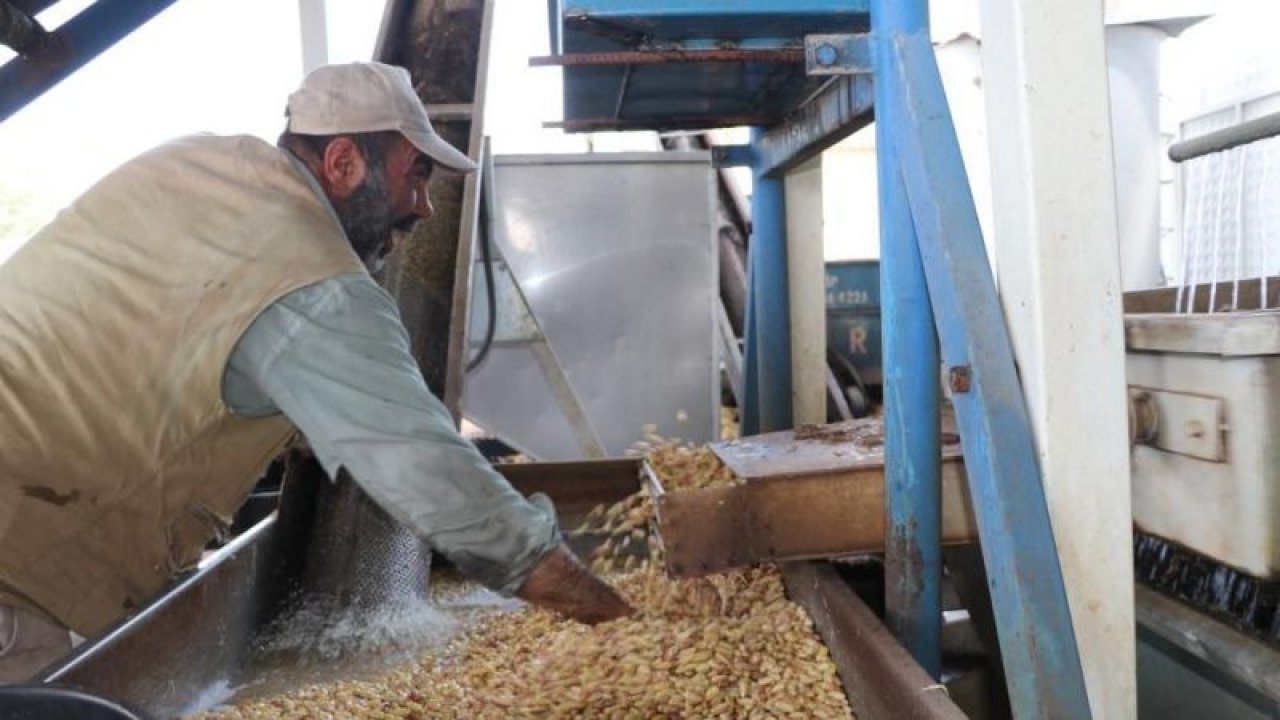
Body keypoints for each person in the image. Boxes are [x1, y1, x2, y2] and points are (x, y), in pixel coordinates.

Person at [0, 61, 632, 682]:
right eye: (417, 175)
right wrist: (611, 617)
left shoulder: (193, 162)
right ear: (342, 164)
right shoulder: (312, 279)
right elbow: (428, 473)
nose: (425, 209)